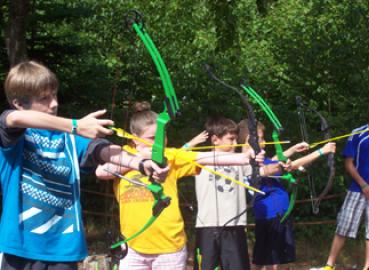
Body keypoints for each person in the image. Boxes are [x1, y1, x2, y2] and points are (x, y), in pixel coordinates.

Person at [0, 60, 169, 270]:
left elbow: (102, 150)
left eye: (54, 95)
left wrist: (142, 163)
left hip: (65, 249)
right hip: (21, 248)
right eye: (44, 98)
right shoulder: (14, 136)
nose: (54, 104)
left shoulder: (70, 138)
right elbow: (13, 119)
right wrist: (76, 125)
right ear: (19, 103)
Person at [96, 105, 264, 270]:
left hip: (169, 247)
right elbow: (101, 172)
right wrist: (139, 158)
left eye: (162, 136)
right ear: (134, 138)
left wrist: (245, 157)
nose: (159, 142)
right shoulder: (122, 154)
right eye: (152, 138)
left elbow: (205, 157)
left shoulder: (170, 155)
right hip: (132, 247)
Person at [236, 119, 335, 270]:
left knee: (264, 258)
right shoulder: (249, 164)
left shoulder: (257, 160)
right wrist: (322, 151)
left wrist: (294, 149)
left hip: (273, 215)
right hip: (272, 216)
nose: (264, 142)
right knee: (270, 261)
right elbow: (286, 166)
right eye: (260, 139)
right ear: (248, 140)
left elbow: (275, 159)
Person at [314, 98, 369, 270]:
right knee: (344, 225)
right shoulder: (357, 133)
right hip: (357, 189)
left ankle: (367, 267)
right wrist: (363, 185)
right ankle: (329, 265)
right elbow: (348, 163)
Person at [194, 117, 282, 270]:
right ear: (215, 139)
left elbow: (263, 171)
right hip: (206, 225)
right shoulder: (199, 159)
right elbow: (172, 157)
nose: (236, 143)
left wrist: (281, 165)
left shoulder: (240, 161)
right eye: (231, 139)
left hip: (235, 226)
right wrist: (191, 143)